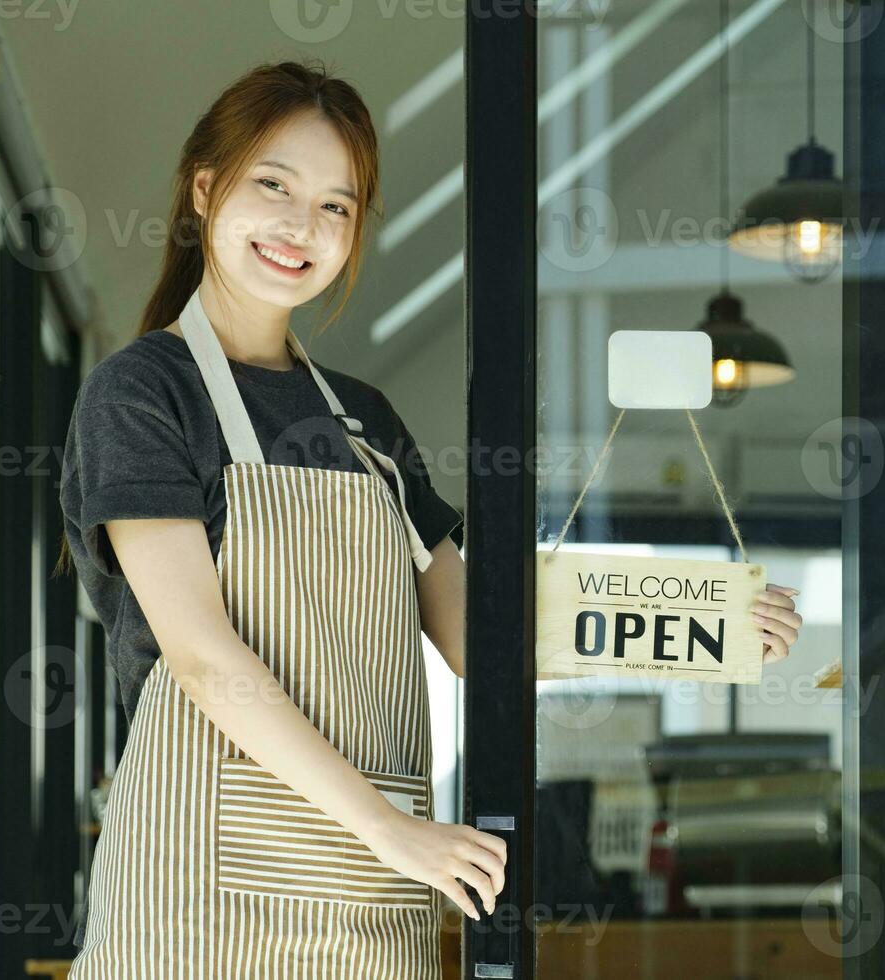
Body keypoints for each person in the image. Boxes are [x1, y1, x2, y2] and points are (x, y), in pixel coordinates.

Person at [57, 59, 801, 977]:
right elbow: (205, 660)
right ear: (206, 190)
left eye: (337, 206)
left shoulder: (363, 419)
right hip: (203, 889)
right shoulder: (141, 393)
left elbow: (475, 639)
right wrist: (393, 829)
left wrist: (705, 625)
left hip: (372, 891)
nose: (303, 227)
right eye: (275, 186)